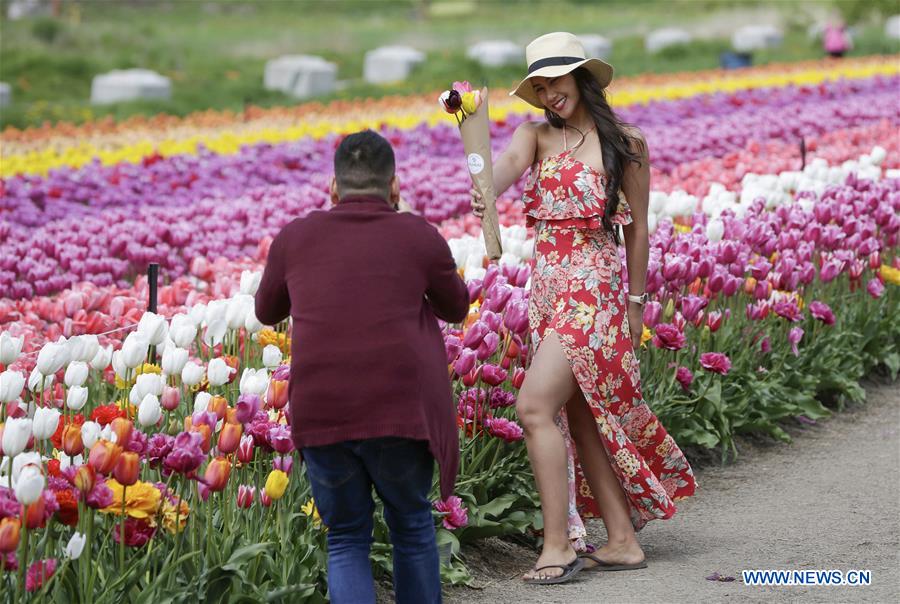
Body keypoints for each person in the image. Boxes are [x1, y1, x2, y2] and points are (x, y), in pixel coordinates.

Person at [471, 32, 697, 584]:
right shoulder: (534, 138)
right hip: (546, 288)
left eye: (558, 81)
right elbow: (498, 174)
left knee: (532, 407)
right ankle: (621, 540)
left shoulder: (626, 142)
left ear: (582, 78)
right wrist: (484, 186)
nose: (550, 94)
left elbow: (640, 228)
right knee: (580, 414)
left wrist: (638, 305)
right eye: (540, 86)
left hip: (594, 289)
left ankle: (559, 545)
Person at [255, 130, 469, 604]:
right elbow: (456, 308)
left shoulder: (295, 238)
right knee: (411, 526)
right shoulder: (419, 235)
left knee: (346, 536)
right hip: (401, 411)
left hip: (323, 412)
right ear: (395, 188)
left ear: (333, 188)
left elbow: (267, 312)